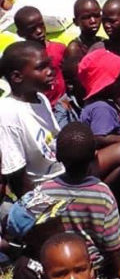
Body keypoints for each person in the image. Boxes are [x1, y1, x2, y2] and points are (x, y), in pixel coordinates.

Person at [39, 122, 120, 279]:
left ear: (57, 157)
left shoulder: (45, 191)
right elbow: (113, 246)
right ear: (95, 156)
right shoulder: (102, 193)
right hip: (95, 267)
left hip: (59, 263)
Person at [0, 41, 64, 198]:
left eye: (49, 65)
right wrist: (40, 207)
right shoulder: (8, 112)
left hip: (62, 174)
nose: (50, 72)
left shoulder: (40, 98)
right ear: (17, 77)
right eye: (41, 67)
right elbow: (17, 176)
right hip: (43, 188)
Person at [77, 49, 120, 149]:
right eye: (119, 79)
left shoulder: (99, 104)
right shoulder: (102, 108)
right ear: (105, 85)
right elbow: (100, 137)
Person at [14, 5, 66, 106]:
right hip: (41, 107)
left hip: (63, 101)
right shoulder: (23, 60)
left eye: (41, 25)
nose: (39, 31)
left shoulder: (59, 49)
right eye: (32, 29)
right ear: (20, 33)